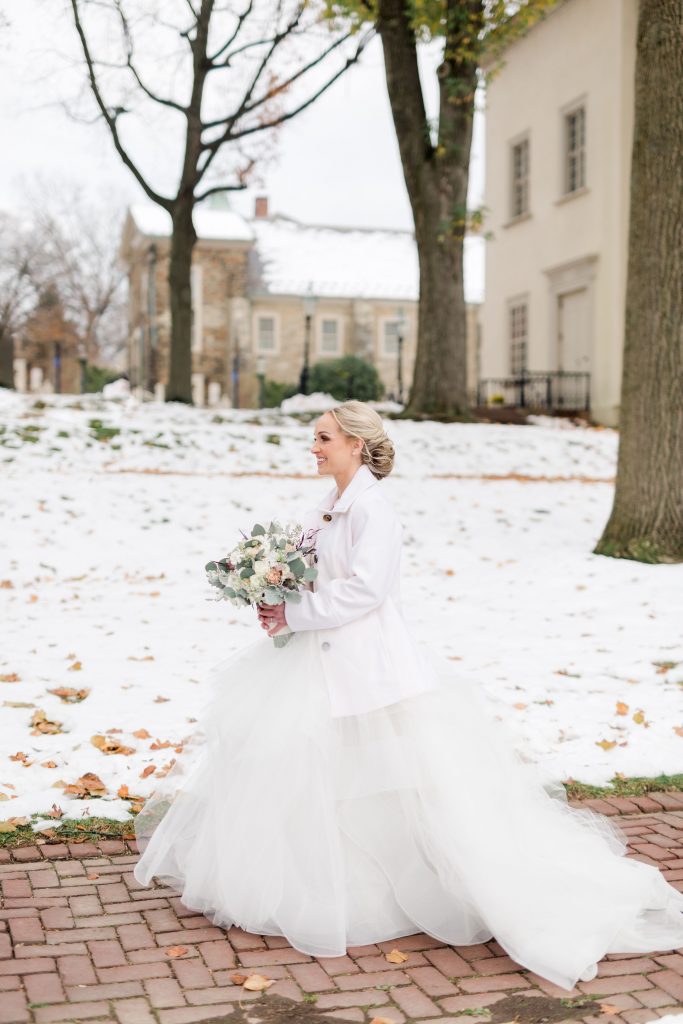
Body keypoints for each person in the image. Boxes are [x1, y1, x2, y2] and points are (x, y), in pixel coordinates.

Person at [133, 399, 683, 992]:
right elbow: (314, 571)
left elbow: (367, 591)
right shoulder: (327, 509)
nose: (313, 448)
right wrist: (273, 588)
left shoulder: (374, 512)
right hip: (316, 661)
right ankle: (326, 884)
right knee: (311, 771)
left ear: (356, 444)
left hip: (368, 666)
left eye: (323, 438)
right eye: (314, 439)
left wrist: (295, 608)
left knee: (395, 774)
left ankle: (434, 885)